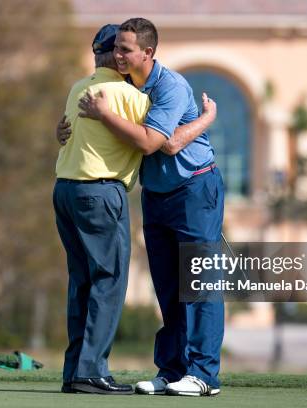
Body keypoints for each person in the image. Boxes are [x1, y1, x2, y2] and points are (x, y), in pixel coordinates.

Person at [67, 18, 225, 397]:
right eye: (115, 48)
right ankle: (172, 371)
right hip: (156, 195)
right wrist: (66, 129)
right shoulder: (123, 86)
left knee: (199, 283)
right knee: (168, 286)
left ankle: (204, 375)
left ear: (147, 53)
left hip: (195, 189)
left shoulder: (170, 85)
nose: (116, 55)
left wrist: (206, 119)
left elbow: (163, 145)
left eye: (125, 49)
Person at [53, 24, 150, 395]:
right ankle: (91, 371)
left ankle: (74, 372)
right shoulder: (128, 95)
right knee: (108, 282)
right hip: (99, 193)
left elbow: (65, 132)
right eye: (120, 50)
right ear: (115, 55)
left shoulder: (79, 87)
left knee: (82, 281)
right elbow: (155, 139)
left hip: (64, 190)